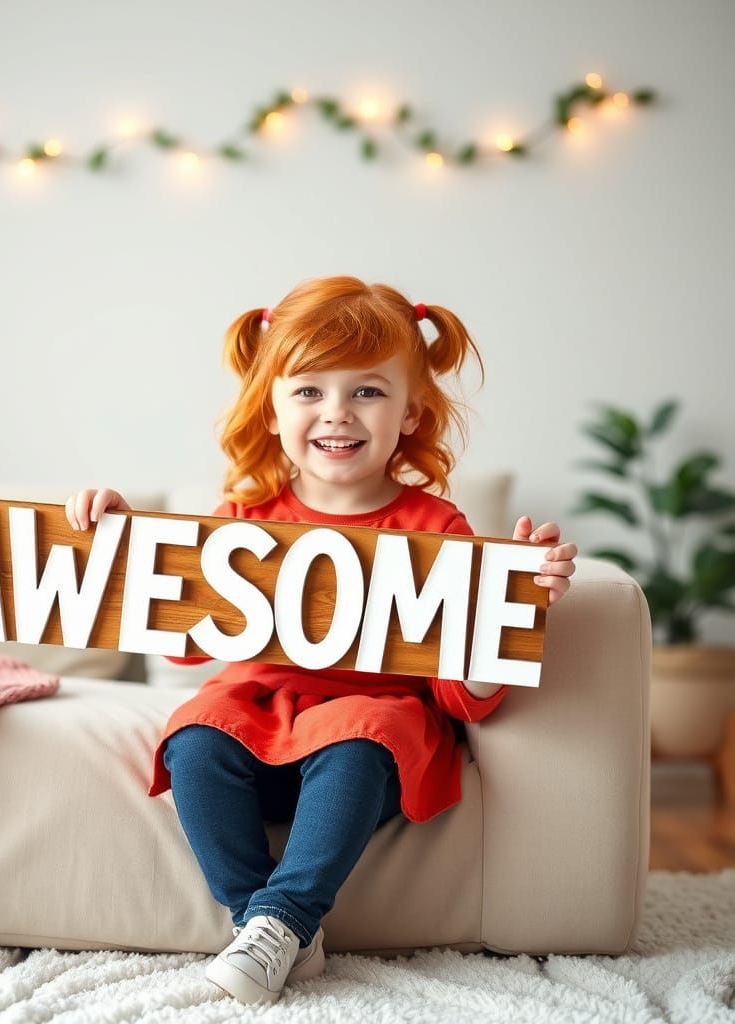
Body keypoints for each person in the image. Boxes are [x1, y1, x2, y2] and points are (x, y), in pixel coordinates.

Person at [65, 275, 578, 1006]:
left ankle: (283, 919)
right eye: (309, 390)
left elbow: (461, 696)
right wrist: (124, 543)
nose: (337, 411)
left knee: (359, 734)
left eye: (367, 391)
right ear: (272, 410)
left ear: (410, 412)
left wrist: (511, 610)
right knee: (196, 733)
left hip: (370, 741)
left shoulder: (437, 529)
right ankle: (266, 926)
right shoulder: (244, 516)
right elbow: (183, 643)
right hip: (259, 718)